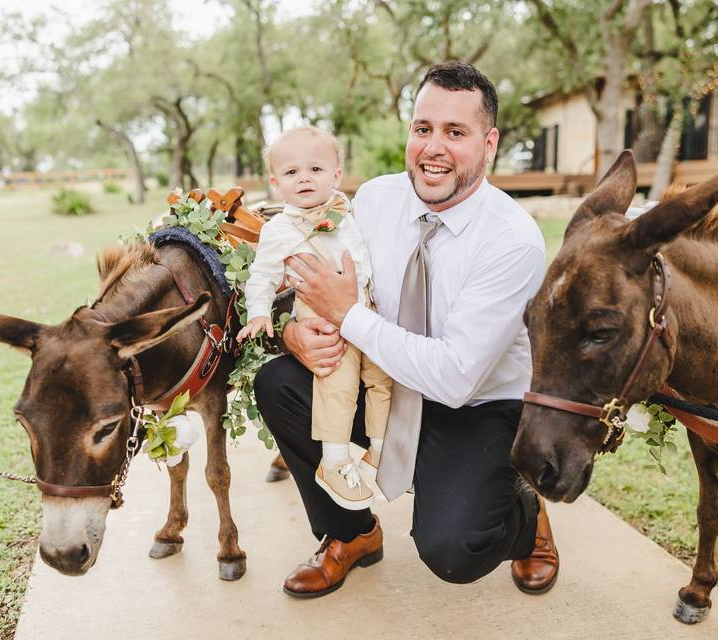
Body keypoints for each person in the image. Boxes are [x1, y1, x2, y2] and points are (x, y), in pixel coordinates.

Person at [254, 61, 559, 598]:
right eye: (423, 129)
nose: (433, 148)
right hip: (386, 380)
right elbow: (305, 272)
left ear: (489, 144)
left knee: (454, 551)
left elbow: (455, 378)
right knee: (278, 381)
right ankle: (350, 534)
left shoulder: (513, 241)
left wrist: (349, 316)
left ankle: (525, 516)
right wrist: (290, 332)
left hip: (476, 406)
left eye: (455, 132)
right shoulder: (373, 199)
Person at [237, 126, 392, 510]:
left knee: (384, 377)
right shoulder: (279, 230)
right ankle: (336, 461)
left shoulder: (352, 213)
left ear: (336, 175)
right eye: (291, 173)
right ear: (276, 183)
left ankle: (382, 450)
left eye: (315, 169)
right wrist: (259, 313)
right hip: (322, 317)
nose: (304, 178)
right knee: (337, 384)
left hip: (366, 311)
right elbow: (262, 275)